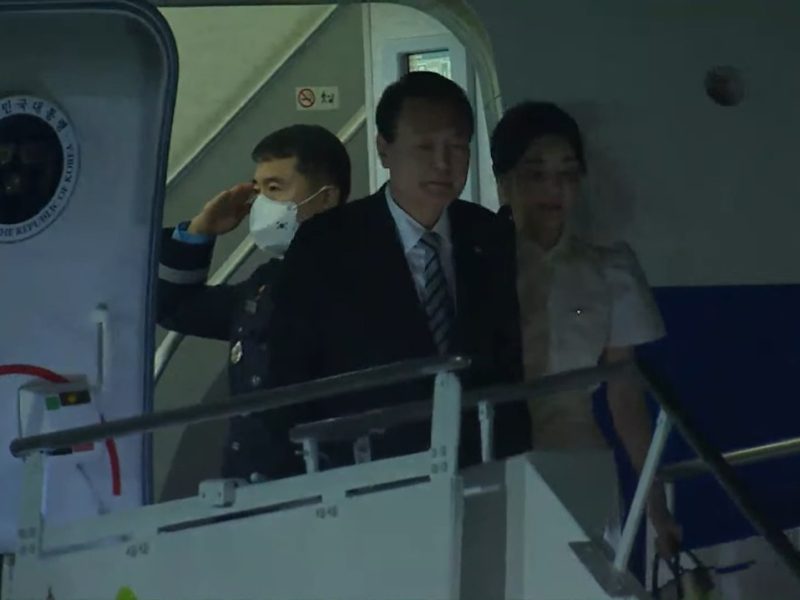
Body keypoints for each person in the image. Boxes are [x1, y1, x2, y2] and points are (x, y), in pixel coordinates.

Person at [262, 71, 529, 470]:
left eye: (457, 146)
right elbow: (289, 373)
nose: (442, 163)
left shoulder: (490, 236)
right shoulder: (327, 243)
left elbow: (511, 359)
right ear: (384, 149)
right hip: (369, 468)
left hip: (484, 461)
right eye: (424, 147)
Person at [490, 101, 681, 557]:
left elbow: (625, 399)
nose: (554, 187)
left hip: (580, 458)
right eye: (536, 173)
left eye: (568, 172)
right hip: (494, 460)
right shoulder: (480, 267)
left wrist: (656, 507)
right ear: (504, 181)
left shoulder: (609, 268)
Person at [156, 124, 351, 480]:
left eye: (275, 189)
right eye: (258, 189)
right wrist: (200, 230)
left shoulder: (362, 279)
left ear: (326, 198)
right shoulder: (264, 285)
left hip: (323, 488)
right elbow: (174, 307)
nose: (261, 203)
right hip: (252, 484)